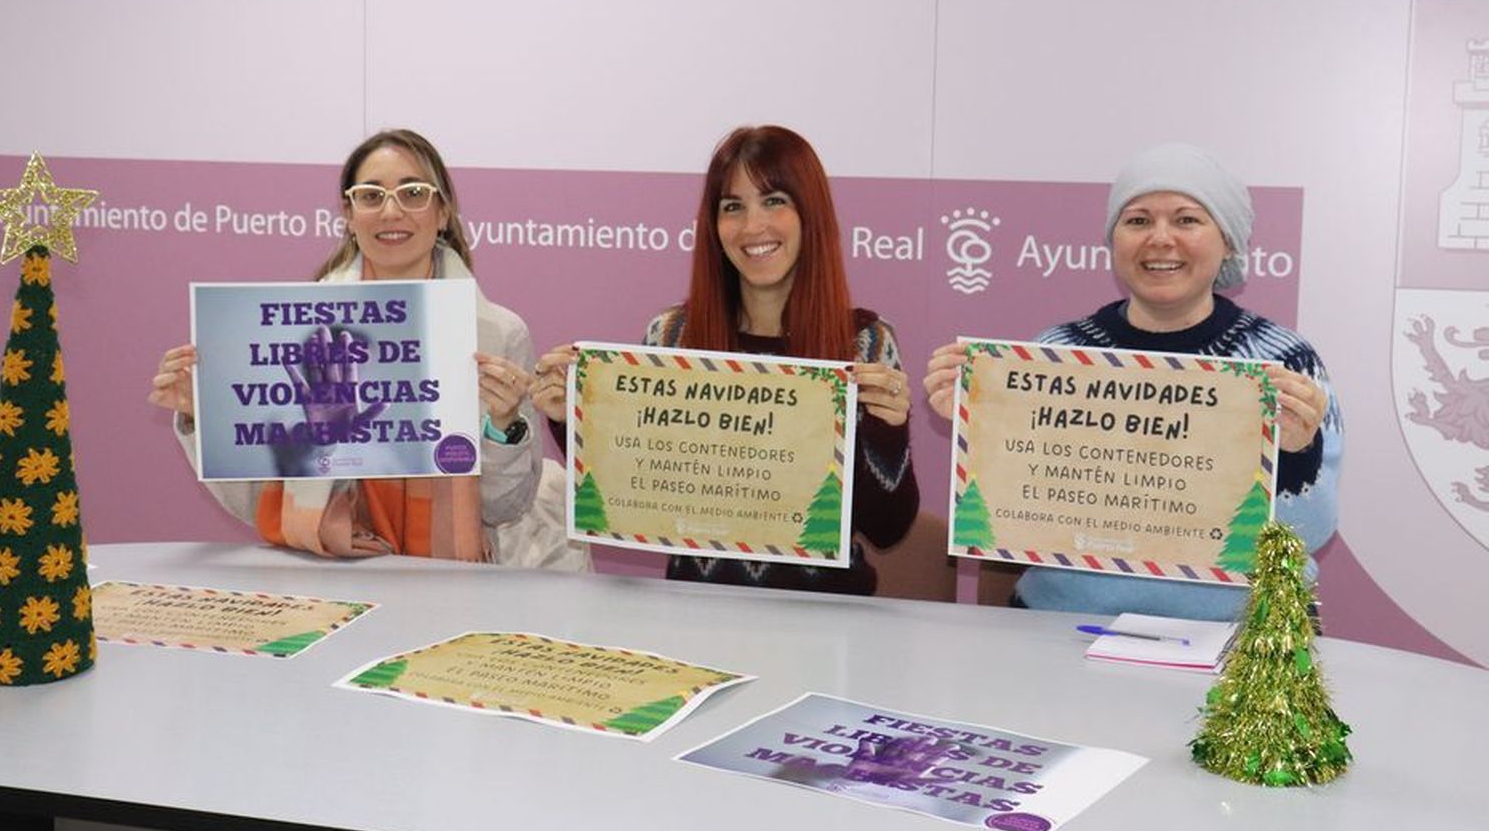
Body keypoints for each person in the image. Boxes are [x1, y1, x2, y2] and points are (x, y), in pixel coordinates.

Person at [923, 142, 1341, 619]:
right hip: (1060, 629)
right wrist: (980, 429)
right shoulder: (1053, 355)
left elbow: (1313, 531)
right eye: (1138, 220)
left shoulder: (1283, 363)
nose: (1160, 239)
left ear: (1227, 240)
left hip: (1239, 642)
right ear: (1113, 239)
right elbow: (1006, 517)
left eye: (1187, 219)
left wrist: (1295, 453)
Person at [531, 125, 918, 594]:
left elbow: (888, 529)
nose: (753, 227)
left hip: (827, 617)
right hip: (695, 609)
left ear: (810, 213)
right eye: (733, 207)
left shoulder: (866, 345)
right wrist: (570, 421)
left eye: (774, 200)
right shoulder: (672, 337)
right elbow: (632, 492)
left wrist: (888, 432)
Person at [149, 129, 540, 560]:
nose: (391, 211)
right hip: (330, 571)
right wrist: (200, 415)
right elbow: (254, 500)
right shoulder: (298, 333)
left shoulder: (498, 334)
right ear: (349, 215)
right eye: (371, 196)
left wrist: (503, 426)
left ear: (442, 211)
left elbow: (507, 507)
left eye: (413, 193)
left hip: (451, 582)